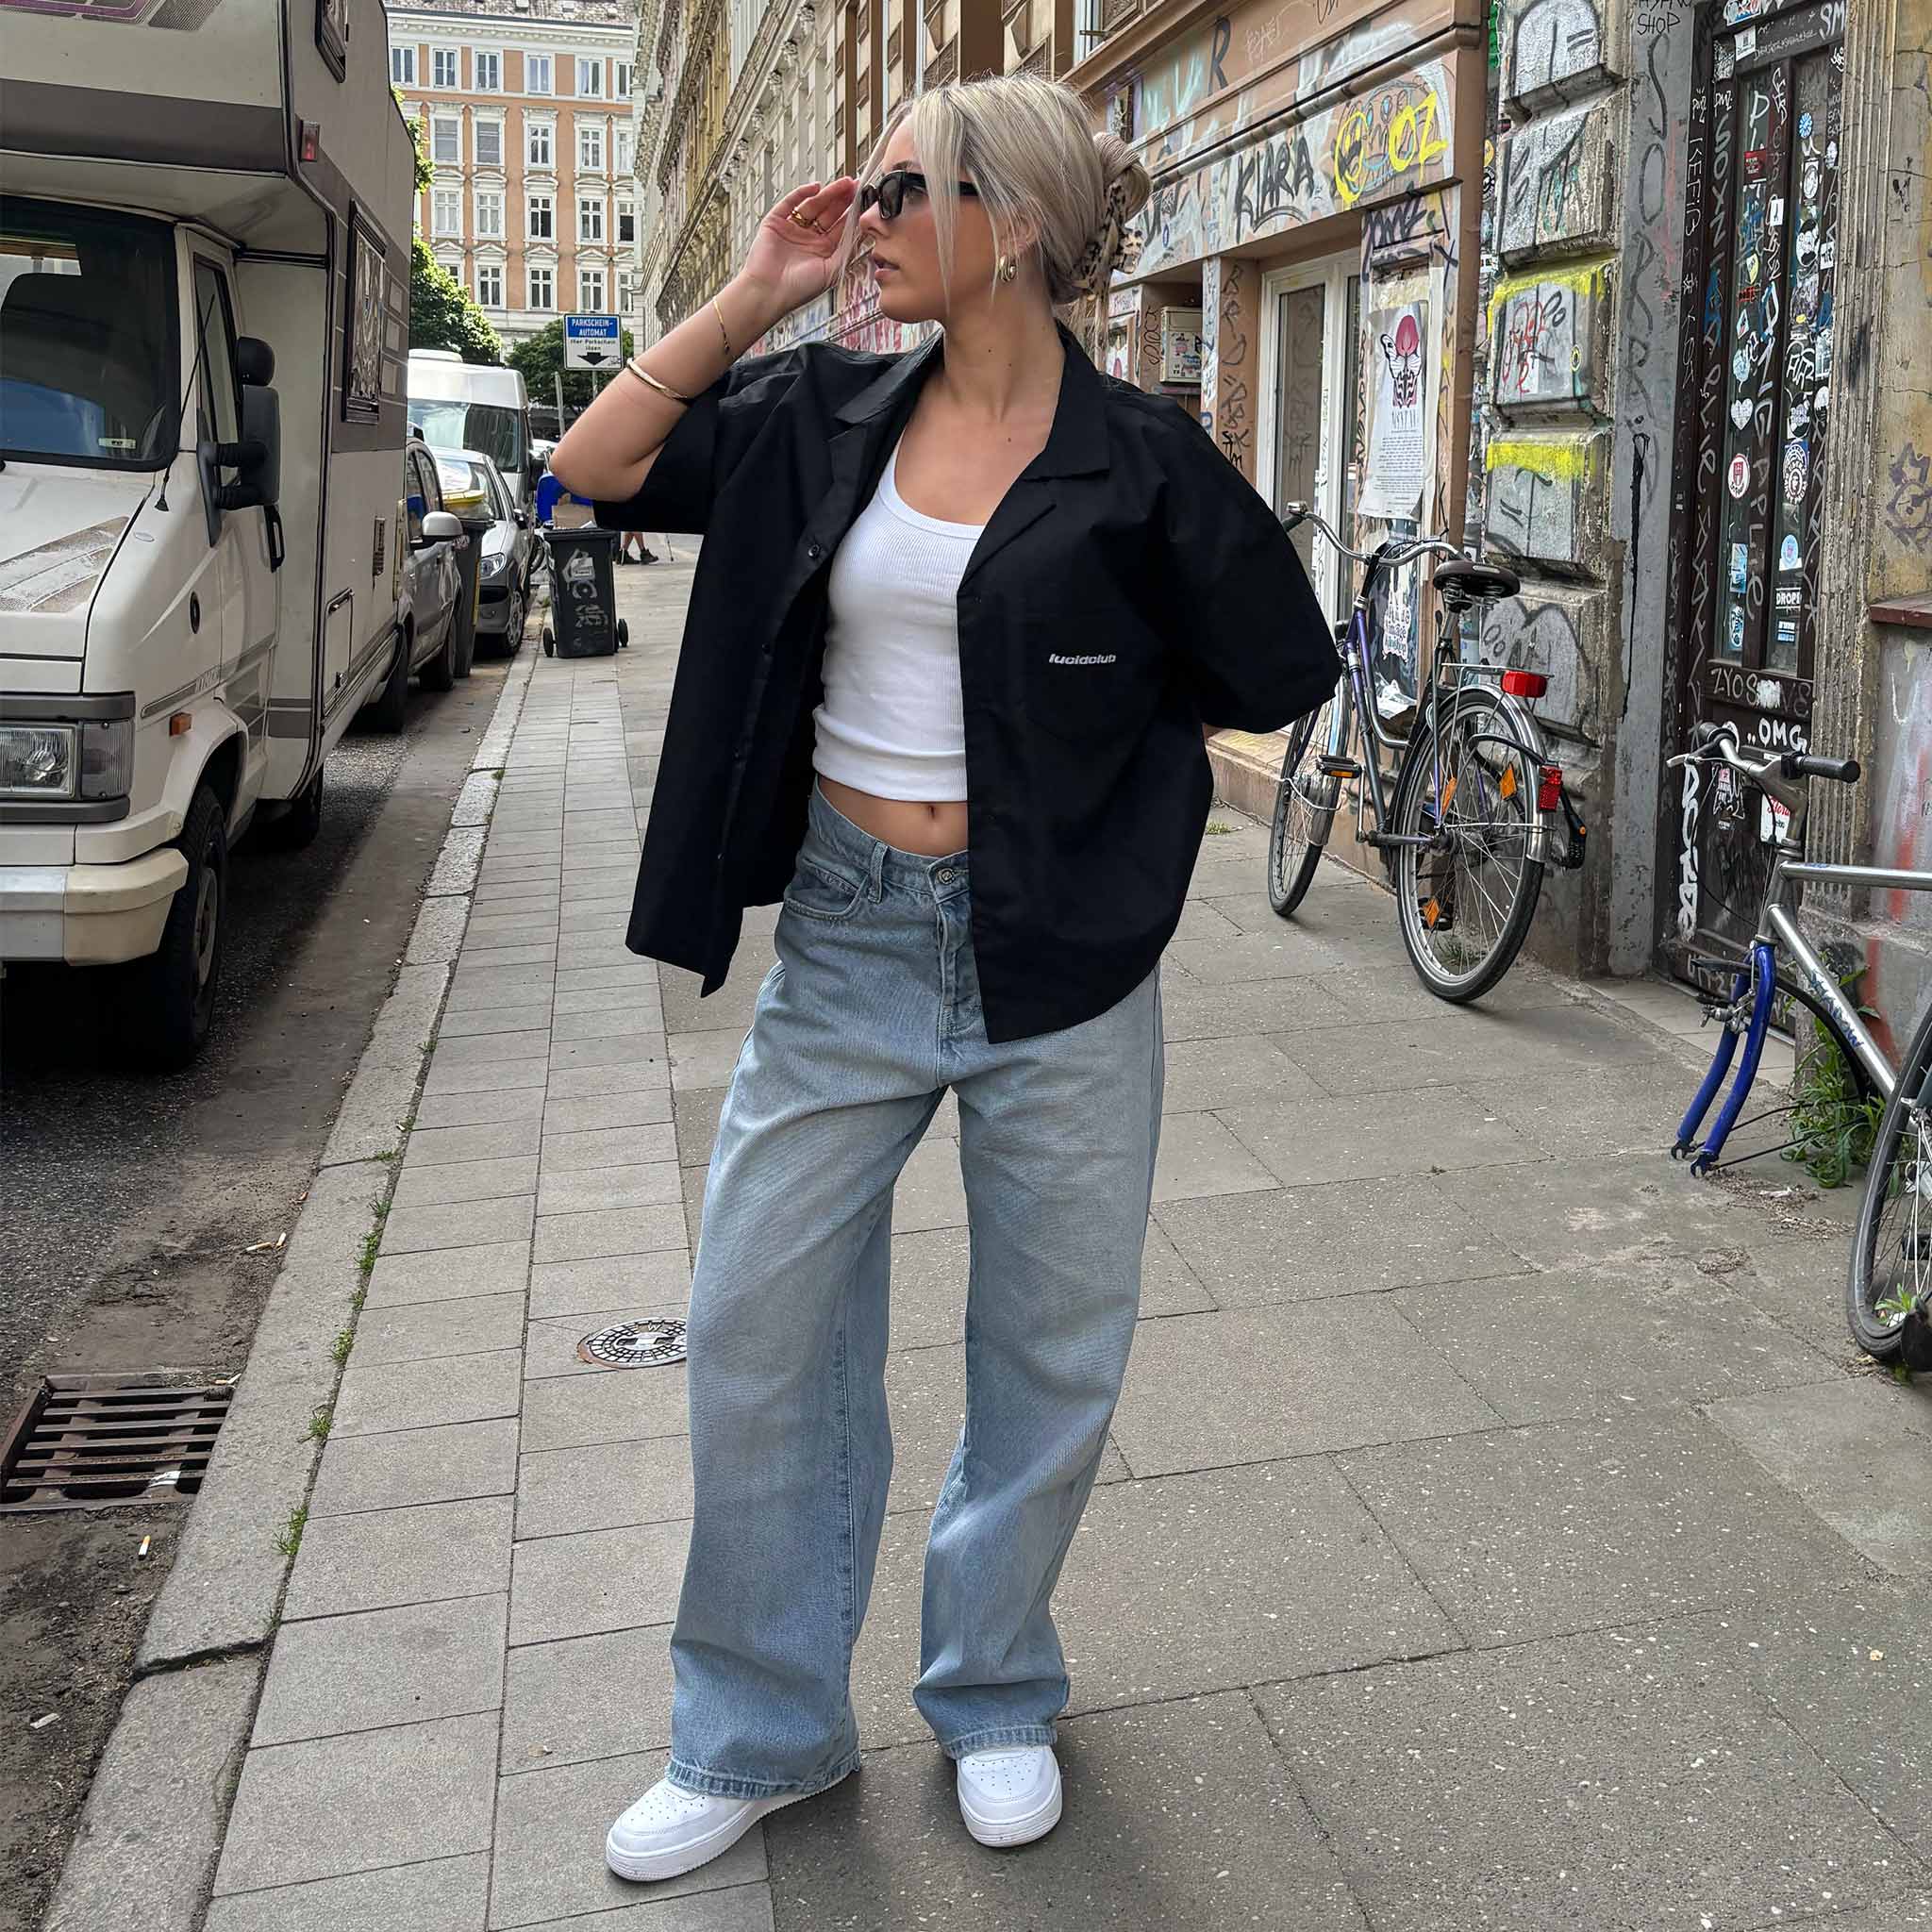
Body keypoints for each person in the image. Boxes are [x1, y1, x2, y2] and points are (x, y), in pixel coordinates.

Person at [550, 72, 1334, 1886]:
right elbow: (594, 467)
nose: (868, 217)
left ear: (1016, 225)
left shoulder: (1144, 460)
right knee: (756, 1329)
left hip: (1061, 962)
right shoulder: (820, 409)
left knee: (1051, 1349)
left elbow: (1269, 670)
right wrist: (758, 288)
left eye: (902, 190)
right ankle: (760, 1731)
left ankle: (993, 1691)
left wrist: (1116, 802)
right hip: (848, 938)